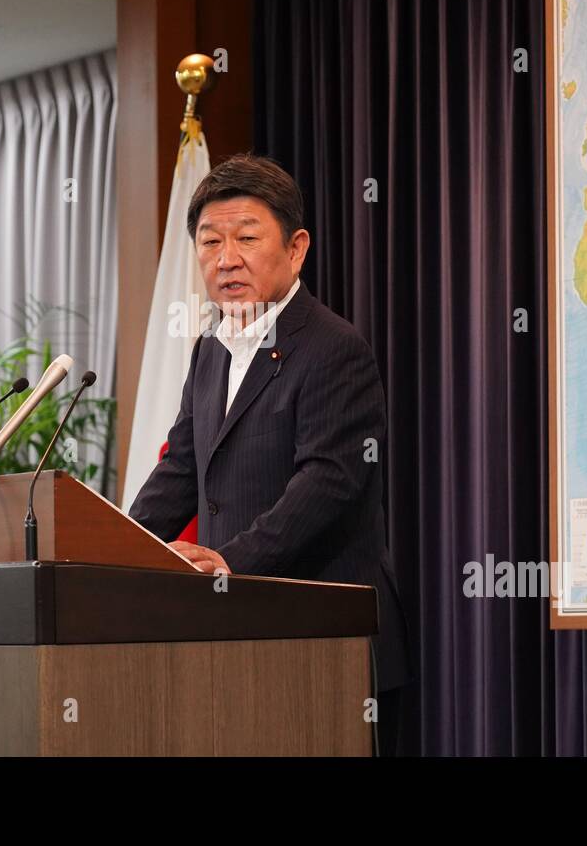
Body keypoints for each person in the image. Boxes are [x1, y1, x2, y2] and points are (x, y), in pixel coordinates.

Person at [129, 153, 411, 755]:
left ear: (296, 248)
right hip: (238, 633)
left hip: (324, 636)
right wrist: (115, 547)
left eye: (246, 238)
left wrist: (229, 563)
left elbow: (329, 483)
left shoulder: (334, 348)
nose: (225, 258)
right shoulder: (210, 349)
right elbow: (182, 466)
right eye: (209, 242)